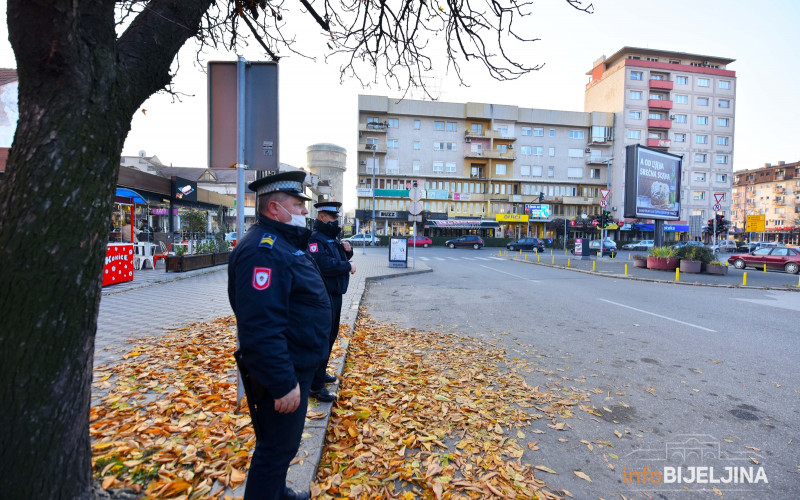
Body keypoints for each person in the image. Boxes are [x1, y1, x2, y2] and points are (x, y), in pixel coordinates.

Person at [227, 170, 330, 500]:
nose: (303, 210)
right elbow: (261, 327)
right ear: (274, 208)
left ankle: (276, 493)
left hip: (296, 364)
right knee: (274, 450)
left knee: (281, 446)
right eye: (298, 204)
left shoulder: (283, 244)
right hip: (284, 370)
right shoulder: (264, 251)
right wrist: (283, 382)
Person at [307, 201, 356, 402]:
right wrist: (347, 266)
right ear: (322, 217)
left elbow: (338, 256)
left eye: (337, 217)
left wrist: (348, 250)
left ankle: (320, 374)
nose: (336, 221)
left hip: (334, 295)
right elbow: (323, 264)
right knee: (322, 339)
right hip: (323, 296)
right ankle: (315, 386)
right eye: (333, 217)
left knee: (330, 337)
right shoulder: (315, 239)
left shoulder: (330, 238)